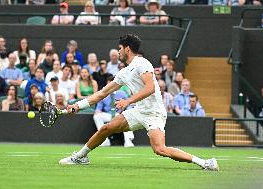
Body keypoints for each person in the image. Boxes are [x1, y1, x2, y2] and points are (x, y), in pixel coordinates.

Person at [59, 34, 219, 171]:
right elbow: (101, 93)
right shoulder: (123, 73)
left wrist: (128, 101)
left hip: (154, 113)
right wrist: (77, 106)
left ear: (127, 49)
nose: (118, 51)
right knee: (106, 128)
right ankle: (79, 157)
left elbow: (150, 88)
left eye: (120, 48)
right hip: (138, 111)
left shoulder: (142, 63)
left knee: (160, 149)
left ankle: (205, 163)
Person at [93, 76, 134, 147]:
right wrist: (97, 110)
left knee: (127, 116)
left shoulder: (122, 93)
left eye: (112, 83)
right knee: (96, 116)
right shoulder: (103, 94)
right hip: (108, 115)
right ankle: (104, 140)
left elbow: (128, 104)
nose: (110, 86)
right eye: (108, 83)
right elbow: (99, 107)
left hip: (118, 114)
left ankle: (128, 141)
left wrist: (128, 111)